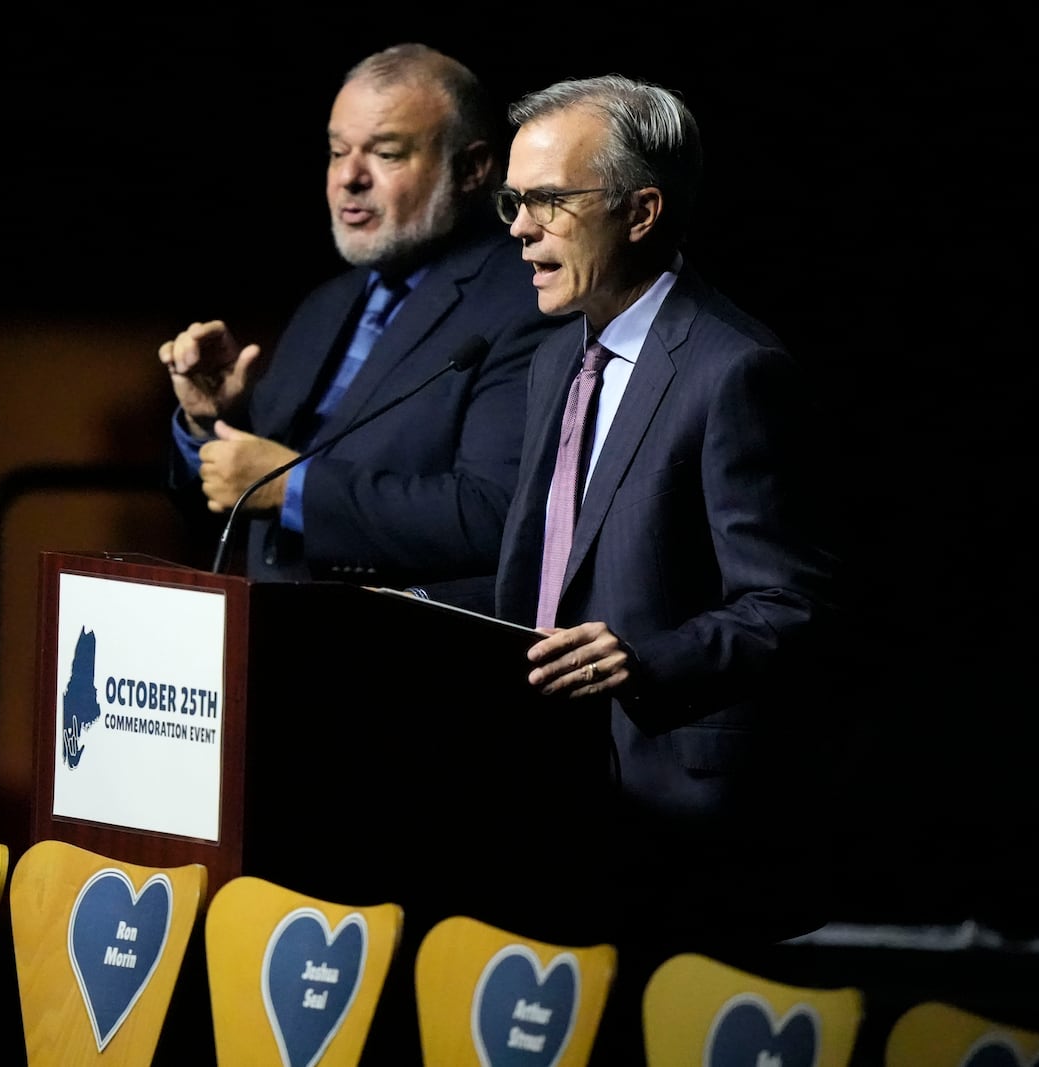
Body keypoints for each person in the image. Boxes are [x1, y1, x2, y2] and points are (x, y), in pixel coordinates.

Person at [487, 74, 850, 1059]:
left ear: (642, 210)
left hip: (678, 823)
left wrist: (644, 657)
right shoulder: (554, 358)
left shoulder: (734, 369)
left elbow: (795, 602)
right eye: (513, 201)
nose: (521, 229)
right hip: (548, 797)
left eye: (549, 200)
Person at [158, 43, 555, 586]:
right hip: (265, 637)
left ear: (471, 169)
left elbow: (493, 513)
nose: (350, 177)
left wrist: (289, 489)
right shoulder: (326, 305)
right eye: (337, 151)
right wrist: (210, 422)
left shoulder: (524, 301)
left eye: (386, 154)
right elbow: (231, 498)